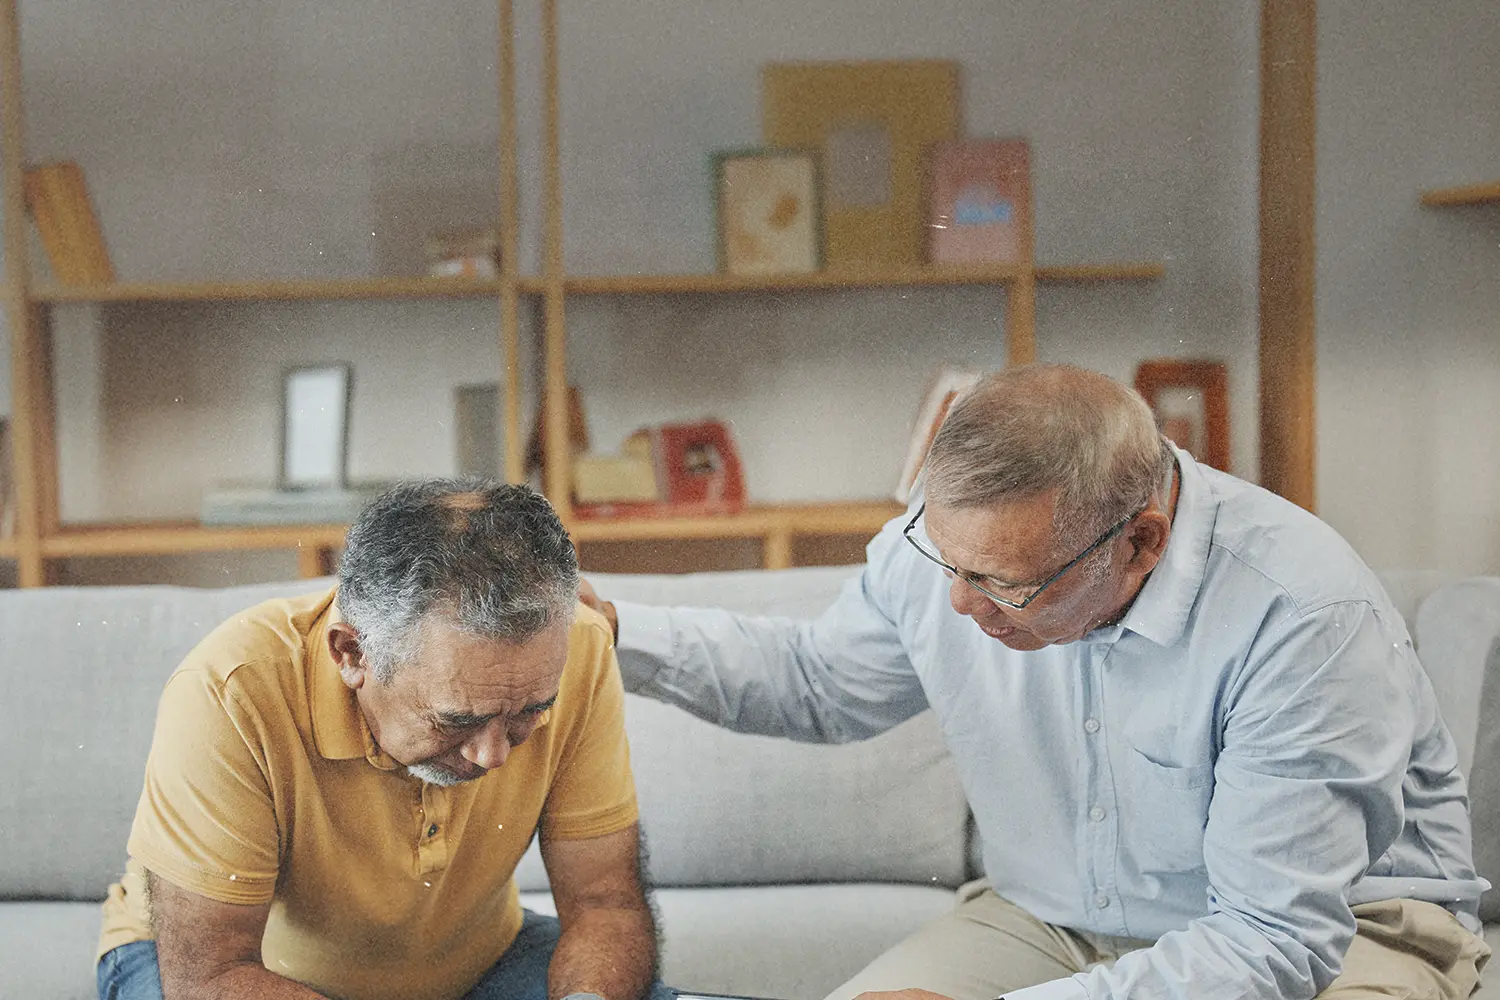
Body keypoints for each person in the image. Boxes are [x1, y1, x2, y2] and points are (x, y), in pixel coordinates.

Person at [581, 364, 1490, 1000]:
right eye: (946, 561)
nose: (960, 607)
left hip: (1335, 938)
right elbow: (821, 683)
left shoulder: (1302, 615)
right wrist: (615, 631)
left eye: (1007, 586)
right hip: (1053, 922)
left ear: (1142, 541)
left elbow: (1269, 946)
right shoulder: (956, 550)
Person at [98, 479, 669, 1000]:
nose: (493, 755)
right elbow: (210, 975)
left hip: (475, 960)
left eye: (529, 712)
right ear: (351, 653)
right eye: (455, 719)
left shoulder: (581, 648)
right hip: (228, 972)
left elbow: (604, 903)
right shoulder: (230, 690)